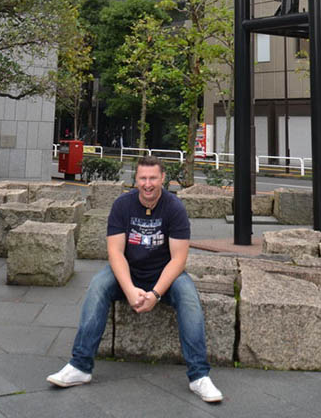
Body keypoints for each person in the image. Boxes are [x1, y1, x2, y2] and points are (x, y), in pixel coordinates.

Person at [47, 156, 223, 403]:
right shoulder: (122, 206)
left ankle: (199, 376)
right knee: (97, 286)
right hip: (128, 271)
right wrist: (130, 290)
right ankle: (80, 366)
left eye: (153, 178)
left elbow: (178, 259)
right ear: (136, 180)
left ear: (163, 178)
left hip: (164, 274)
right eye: (142, 178)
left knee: (189, 298)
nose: (147, 184)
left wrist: (156, 294)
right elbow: (115, 253)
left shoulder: (174, 208)